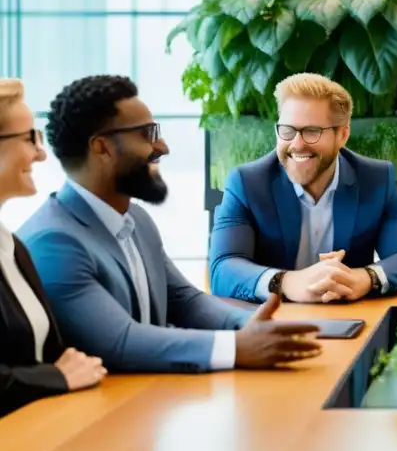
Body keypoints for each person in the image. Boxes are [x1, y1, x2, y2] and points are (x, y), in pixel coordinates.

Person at [17, 75, 324, 374]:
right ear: (102, 148)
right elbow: (119, 341)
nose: (163, 147)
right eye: (148, 134)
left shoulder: (135, 219)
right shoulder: (54, 242)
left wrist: (250, 325)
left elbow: (183, 300)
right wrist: (235, 346)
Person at [209, 73, 397, 304]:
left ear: (342, 135)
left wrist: (364, 278)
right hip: (271, 322)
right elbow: (223, 269)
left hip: (350, 319)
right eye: (287, 130)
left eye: (312, 131)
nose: (296, 144)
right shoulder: (246, 182)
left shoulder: (375, 179)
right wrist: (287, 282)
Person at [0, 78, 106, 417]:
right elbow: (57, 368)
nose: (41, 152)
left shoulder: (13, 248)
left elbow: (54, 354)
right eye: (30, 137)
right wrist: (55, 377)